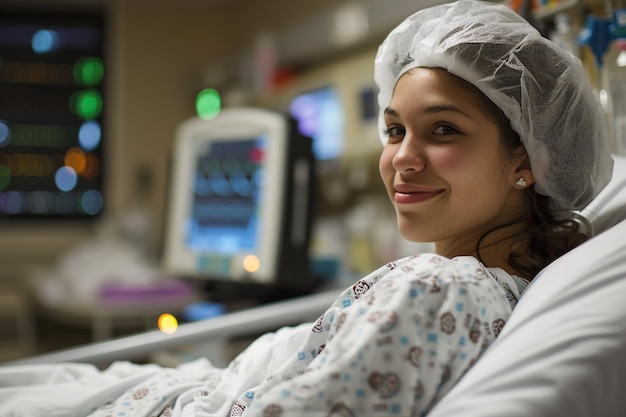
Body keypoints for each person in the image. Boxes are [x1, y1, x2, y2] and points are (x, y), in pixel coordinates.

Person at [0, 1, 613, 416]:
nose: (403, 157)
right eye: (395, 130)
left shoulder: (438, 290)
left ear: (524, 161)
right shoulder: (493, 284)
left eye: (444, 131)